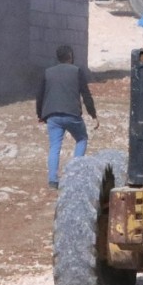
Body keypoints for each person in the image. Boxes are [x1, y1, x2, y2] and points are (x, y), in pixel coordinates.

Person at [36, 45, 98, 189]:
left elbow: (40, 95)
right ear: (70, 56)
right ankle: (74, 175)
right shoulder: (77, 71)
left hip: (52, 115)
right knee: (82, 139)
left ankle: (52, 180)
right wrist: (93, 115)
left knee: (55, 146)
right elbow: (86, 94)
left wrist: (40, 114)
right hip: (72, 114)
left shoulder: (48, 72)